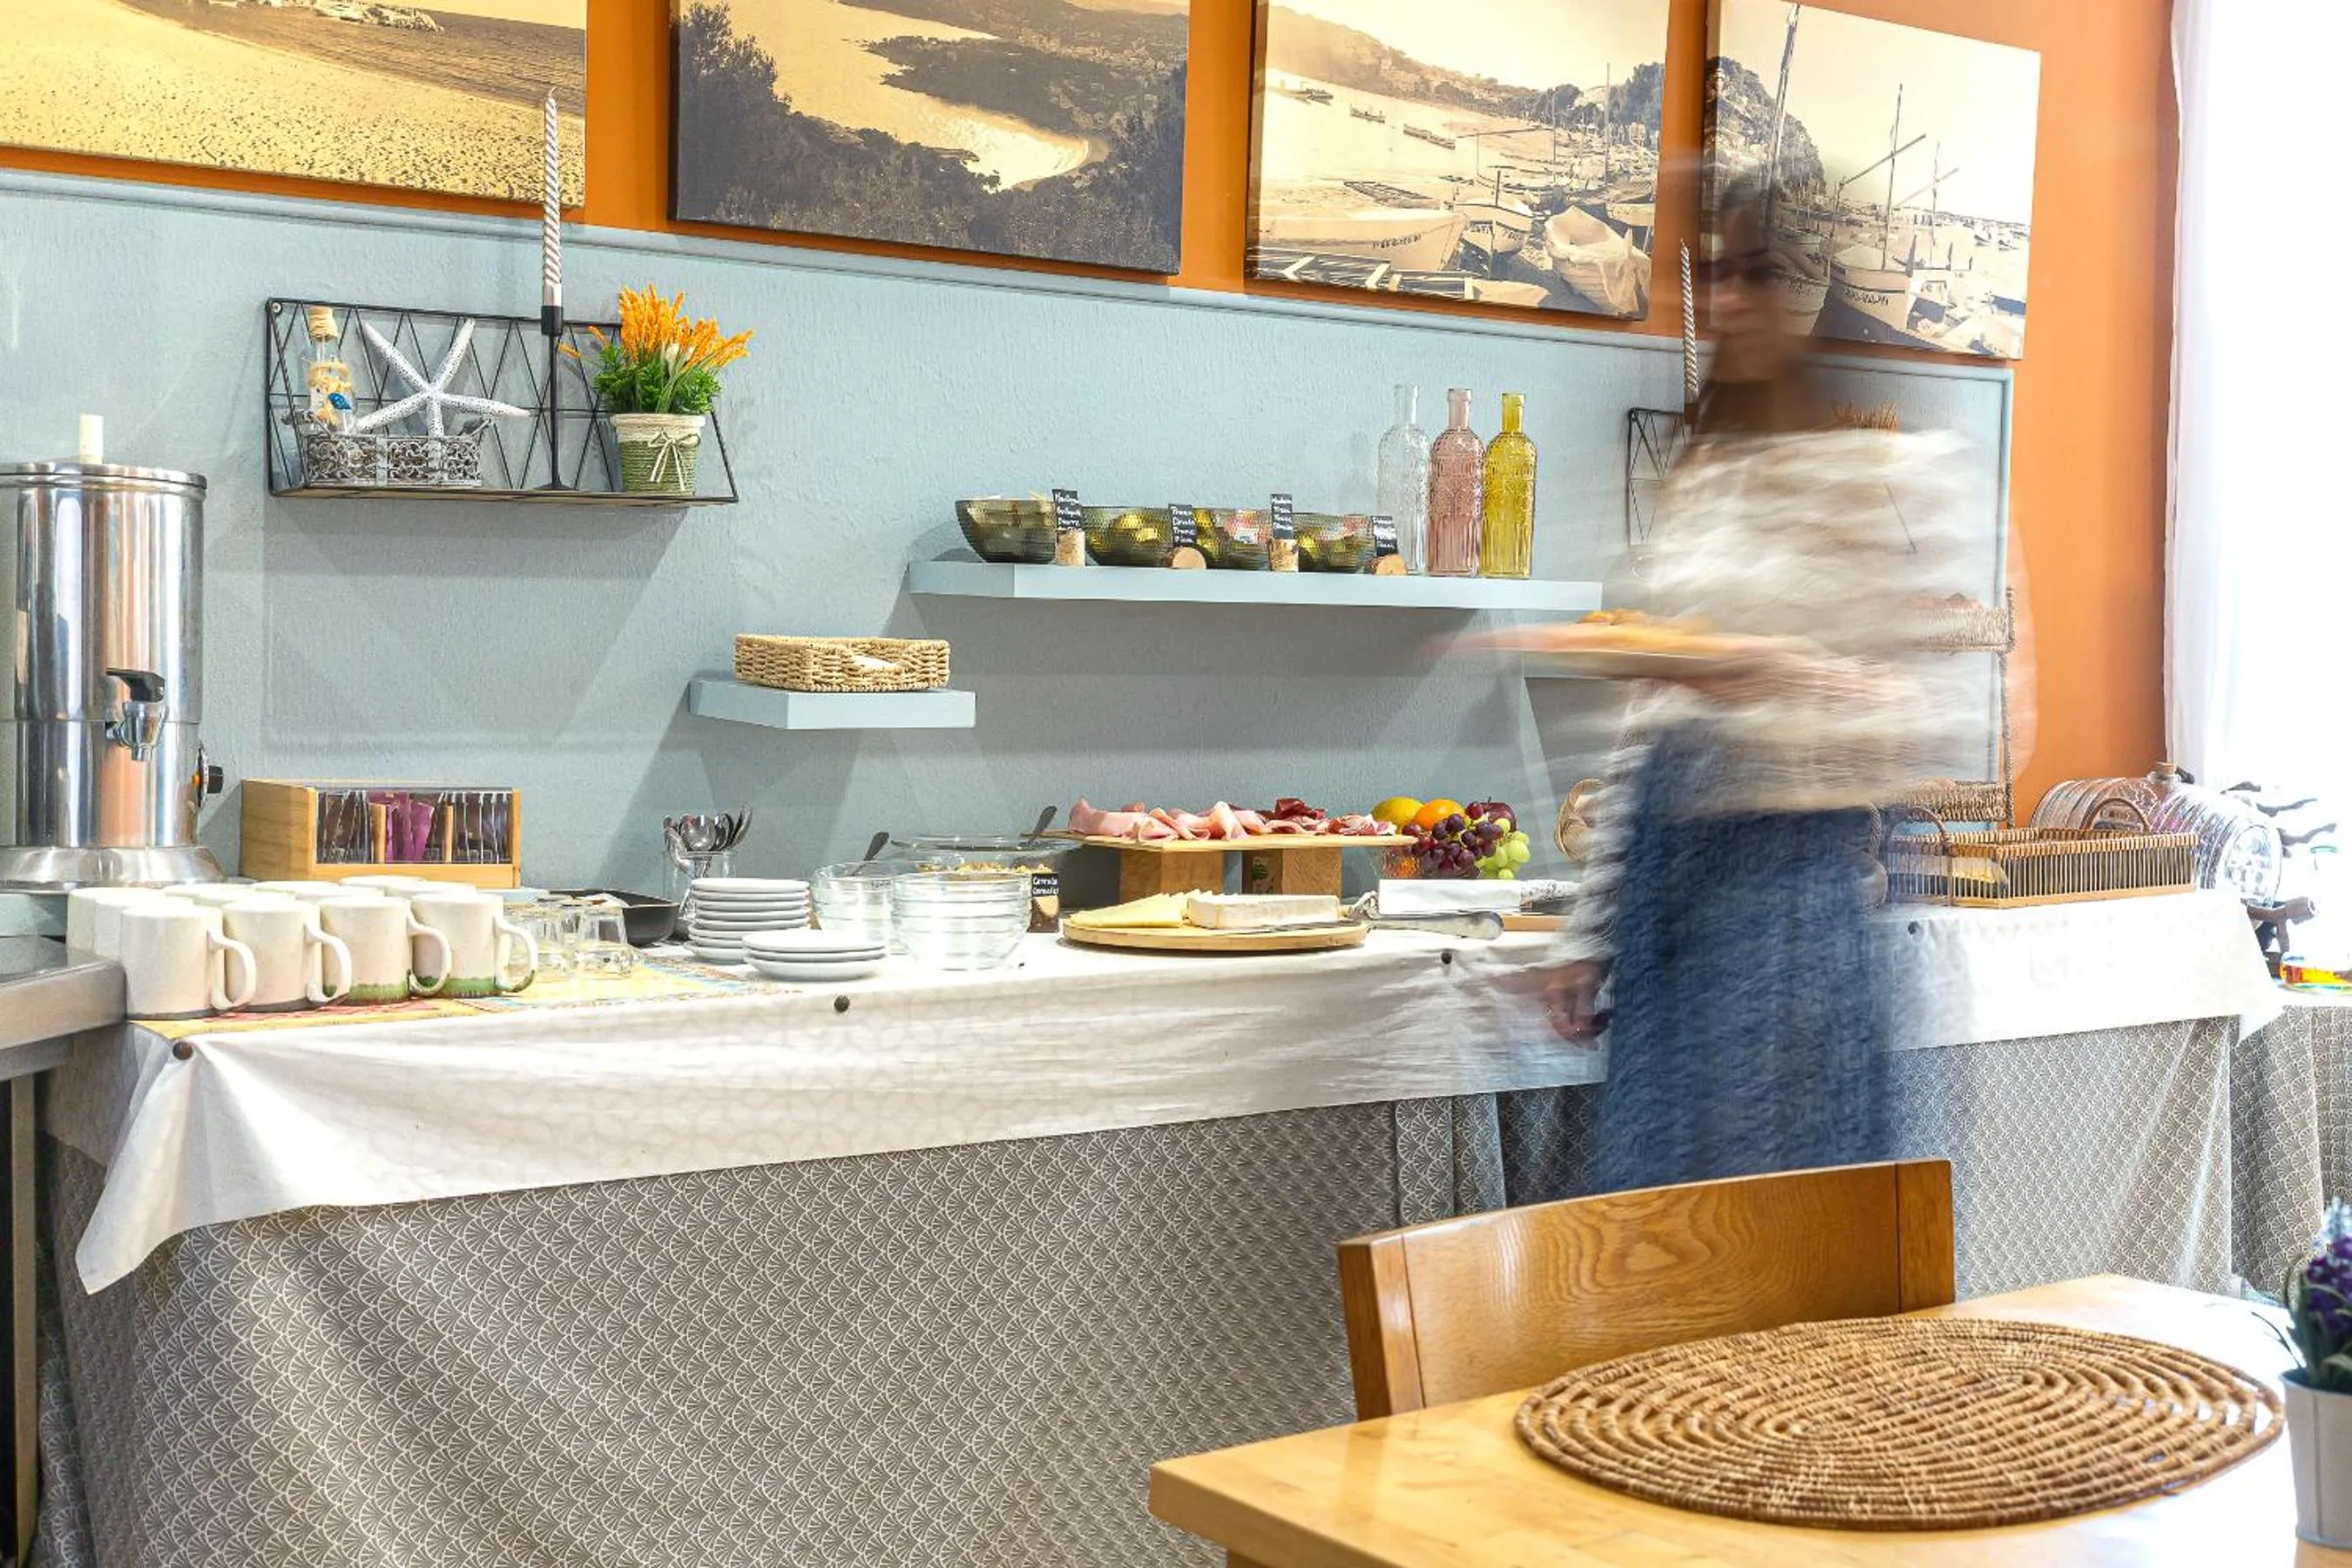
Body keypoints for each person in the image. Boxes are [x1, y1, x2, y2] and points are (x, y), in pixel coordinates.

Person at [1542, 184, 1984, 1194]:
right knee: (1662, 1204)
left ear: (1816, 295)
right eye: (1715, 275)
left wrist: (1769, 675)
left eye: (1757, 274)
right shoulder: (1707, 481)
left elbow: (1938, 719)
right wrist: (1588, 931)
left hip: (1788, 892)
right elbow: (1650, 716)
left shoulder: (1890, 477)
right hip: (1668, 885)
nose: (1730, 301)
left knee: (1781, 1209)